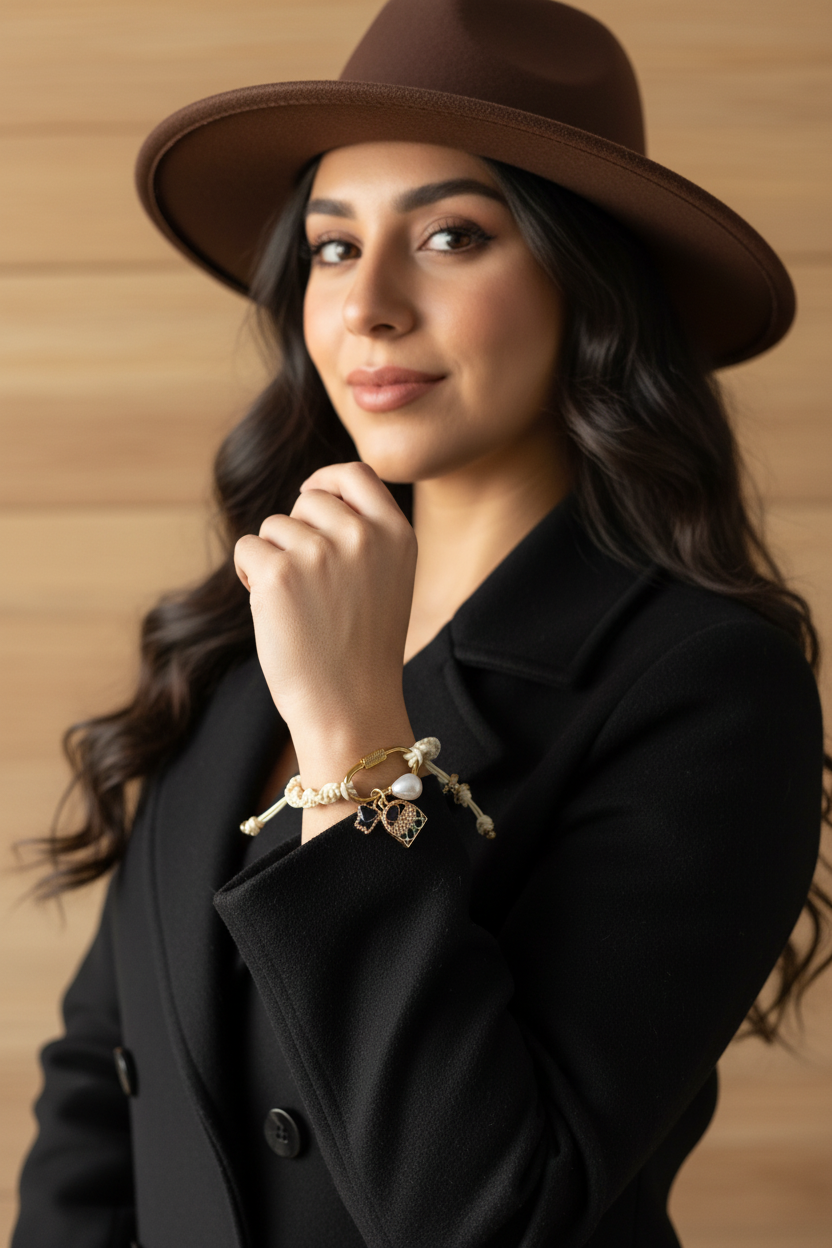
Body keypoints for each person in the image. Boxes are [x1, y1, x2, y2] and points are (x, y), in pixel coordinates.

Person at [12, 1, 830, 1245]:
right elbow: (105, 1080)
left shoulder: (705, 684)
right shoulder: (253, 625)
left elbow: (488, 1209)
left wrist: (351, 741)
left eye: (451, 236)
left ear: (588, 281)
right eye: (332, 248)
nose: (370, 306)